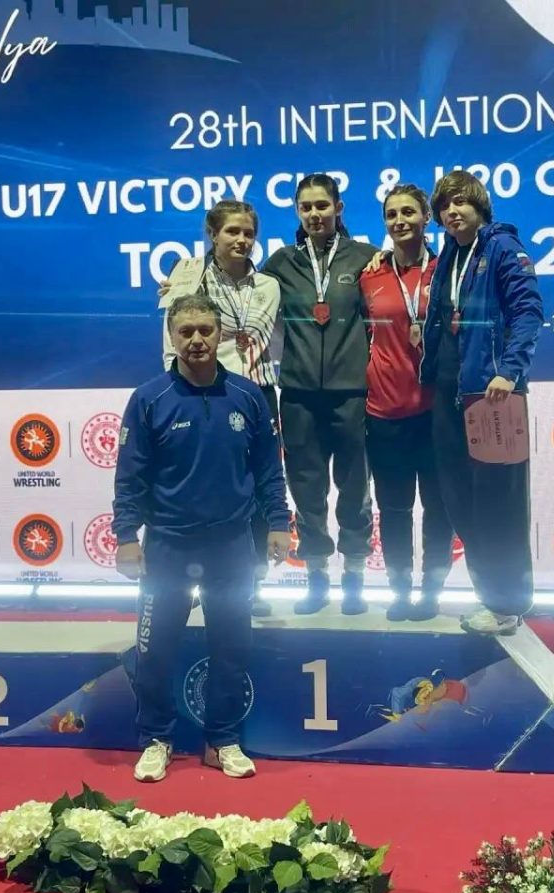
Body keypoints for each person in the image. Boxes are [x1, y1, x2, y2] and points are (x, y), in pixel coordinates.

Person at [113, 291, 291, 782]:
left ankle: (222, 740)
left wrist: (279, 522)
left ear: (220, 334)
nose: (196, 340)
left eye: (205, 330)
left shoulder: (248, 397)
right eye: (186, 331)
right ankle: (156, 739)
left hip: (232, 545)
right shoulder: (149, 399)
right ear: (172, 337)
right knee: (155, 650)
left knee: (230, 647)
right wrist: (126, 535)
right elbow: (130, 476)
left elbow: (268, 469)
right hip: (167, 545)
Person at [419, 171, 543, 636]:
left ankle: (507, 605)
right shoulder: (451, 254)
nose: (452, 212)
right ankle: (492, 595)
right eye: (445, 206)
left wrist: (509, 371)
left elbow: (529, 312)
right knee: (461, 500)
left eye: (461, 203)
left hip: (493, 395)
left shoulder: (502, 248)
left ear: (480, 206)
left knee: (499, 505)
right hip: (451, 393)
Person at [157, 200, 282, 618]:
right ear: (213, 234)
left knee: (257, 487)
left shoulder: (268, 285)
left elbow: (261, 335)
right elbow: (172, 339)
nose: (242, 239)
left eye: (248, 233)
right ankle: (193, 582)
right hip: (197, 393)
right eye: (232, 231)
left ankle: (253, 584)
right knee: (198, 486)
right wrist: (174, 390)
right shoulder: (187, 278)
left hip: (255, 394)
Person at [262, 174, 378, 615]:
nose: (314, 214)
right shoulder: (281, 263)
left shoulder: (366, 258)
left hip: (352, 394)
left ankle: (354, 577)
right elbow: (238, 290)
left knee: (355, 487)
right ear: (297, 211)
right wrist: (183, 285)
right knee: (307, 490)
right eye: (306, 207)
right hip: (298, 395)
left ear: (338, 208)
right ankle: (316, 576)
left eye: (322, 205)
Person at [360, 184, 453, 621]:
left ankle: (431, 591)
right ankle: (399, 591)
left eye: (409, 212)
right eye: (392, 214)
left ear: (426, 218)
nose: (400, 221)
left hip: (436, 413)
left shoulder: (446, 269)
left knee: (438, 509)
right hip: (385, 412)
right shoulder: (369, 274)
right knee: (394, 510)